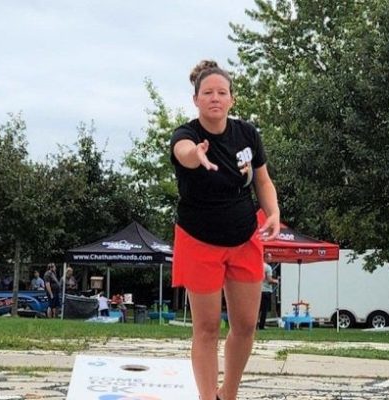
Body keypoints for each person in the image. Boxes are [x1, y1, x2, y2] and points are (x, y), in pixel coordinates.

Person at [170, 60, 281, 400]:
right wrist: (197, 155)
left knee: (246, 325)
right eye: (207, 93)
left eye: (222, 92)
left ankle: (227, 394)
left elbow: (262, 180)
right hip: (199, 238)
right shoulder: (186, 135)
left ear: (232, 98)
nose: (215, 98)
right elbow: (183, 153)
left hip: (245, 236)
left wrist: (273, 211)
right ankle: (207, 396)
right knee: (205, 328)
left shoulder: (247, 133)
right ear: (196, 100)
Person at [257, 261, 278, 330]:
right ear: (266, 258)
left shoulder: (257, 265)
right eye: (270, 257)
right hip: (266, 290)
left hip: (258, 290)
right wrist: (276, 281)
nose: (271, 259)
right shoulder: (268, 267)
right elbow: (269, 280)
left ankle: (254, 325)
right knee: (264, 310)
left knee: (257, 309)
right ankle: (261, 326)